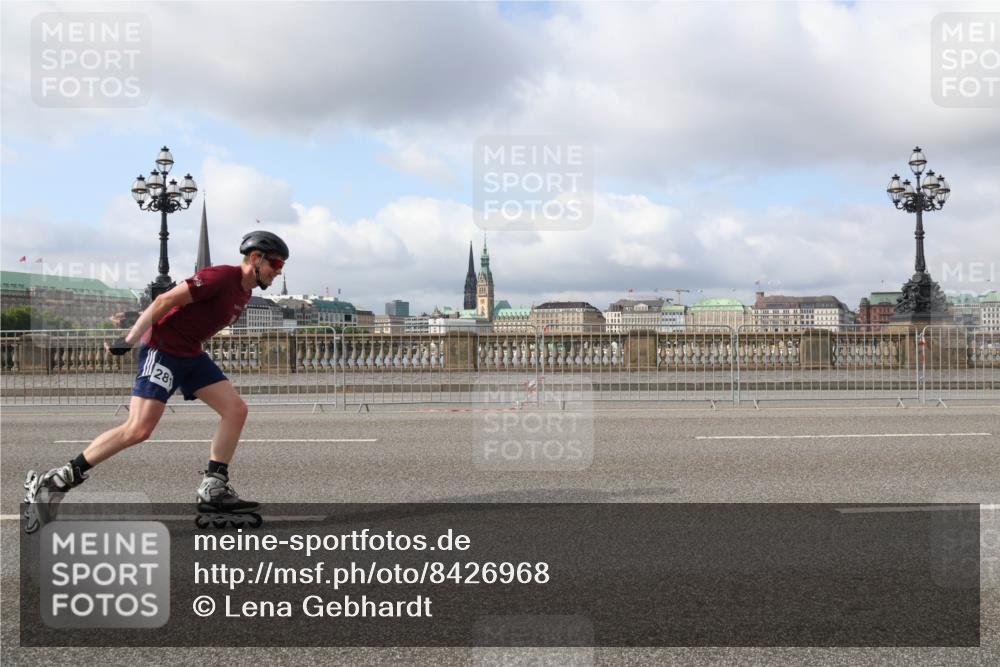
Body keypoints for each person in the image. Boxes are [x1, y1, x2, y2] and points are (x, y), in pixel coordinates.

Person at [23, 231, 289, 532]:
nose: (278, 272)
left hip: (191, 355)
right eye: (276, 264)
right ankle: (57, 480)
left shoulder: (244, 294)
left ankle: (214, 487)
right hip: (163, 351)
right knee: (138, 429)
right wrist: (129, 340)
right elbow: (165, 299)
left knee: (236, 410)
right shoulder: (220, 277)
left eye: (281, 266)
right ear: (255, 258)